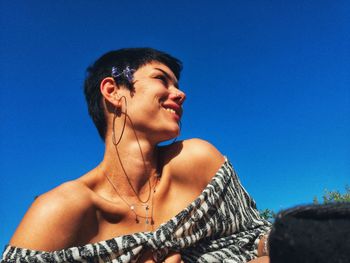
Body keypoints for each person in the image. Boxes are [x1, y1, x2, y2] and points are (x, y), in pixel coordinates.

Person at [2, 48, 271, 263]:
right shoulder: (62, 208)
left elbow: (257, 239)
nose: (180, 94)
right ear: (113, 91)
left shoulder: (197, 161)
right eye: (160, 79)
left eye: (176, 84)